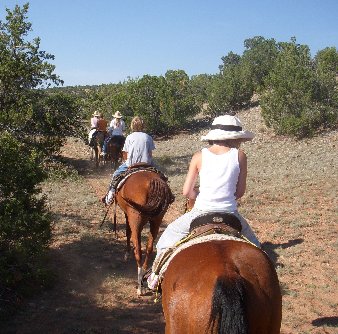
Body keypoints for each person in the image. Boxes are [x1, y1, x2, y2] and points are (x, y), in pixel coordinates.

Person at [146, 114, 261, 289]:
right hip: (230, 214)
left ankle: (156, 275)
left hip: (200, 212)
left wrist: (198, 193)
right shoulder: (240, 156)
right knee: (258, 250)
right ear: (235, 138)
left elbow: (187, 192)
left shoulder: (199, 156)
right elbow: (239, 192)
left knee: (167, 238)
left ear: (213, 136)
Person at [103, 116, 155, 204]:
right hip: (147, 164)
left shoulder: (129, 137)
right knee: (161, 175)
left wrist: (126, 161)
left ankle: (110, 196)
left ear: (132, 126)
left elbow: (125, 154)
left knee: (116, 174)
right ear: (143, 126)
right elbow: (150, 154)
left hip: (131, 164)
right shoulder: (148, 137)